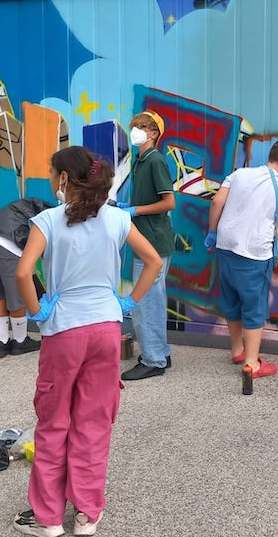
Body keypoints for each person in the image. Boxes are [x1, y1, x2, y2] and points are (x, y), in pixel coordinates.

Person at [12, 146, 162, 537]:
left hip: (64, 331)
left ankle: (48, 519)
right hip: (107, 328)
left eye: (51, 172)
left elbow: (23, 273)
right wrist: (129, 301)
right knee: (93, 424)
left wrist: (37, 311)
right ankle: (86, 515)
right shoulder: (117, 218)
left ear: (64, 178)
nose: (50, 178)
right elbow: (154, 261)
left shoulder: (47, 220)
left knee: (53, 424)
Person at [205, 139, 278, 381]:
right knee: (254, 309)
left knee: (231, 302)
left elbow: (217, 202)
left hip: (225, 248)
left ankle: (237, 351)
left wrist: (212, 232)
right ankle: (252, 364)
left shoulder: (239, 174)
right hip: (253, 255)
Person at [115, 110, 176, 380]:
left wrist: (135, 210)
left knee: (145, 303)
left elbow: (169, 202)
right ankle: (160, 352)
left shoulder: (155, 161)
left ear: (154, 134)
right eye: (135, 126)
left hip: (154, 242)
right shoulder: (141, 160)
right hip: (147, 241)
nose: (136, 130)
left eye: (142, 127)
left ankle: (153, 360)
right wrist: (126, 206)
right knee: (152, 301)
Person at [0, 197, 52, 358]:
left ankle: (1, 343)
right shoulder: (48, 216)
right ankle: (20, 340)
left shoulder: (24, 206)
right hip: (8, 243)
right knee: (16, 294)